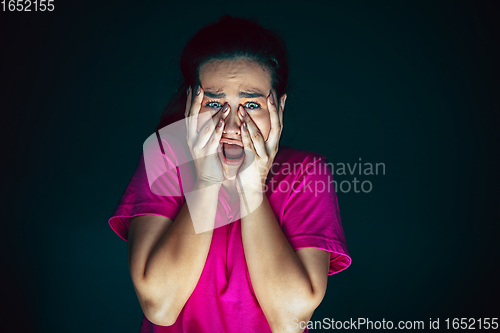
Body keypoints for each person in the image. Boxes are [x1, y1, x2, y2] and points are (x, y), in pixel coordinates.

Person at [108, 15, 351, 333]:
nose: (232, 127)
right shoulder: (164, 156)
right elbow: (161, 306)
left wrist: (252, 187)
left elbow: (289, 321)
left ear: (279, 108)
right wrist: (208, 181)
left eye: (251, 105)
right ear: (190, 108)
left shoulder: (306, 173)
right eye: (214, 103)